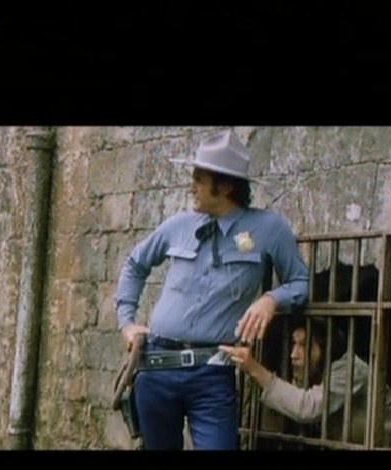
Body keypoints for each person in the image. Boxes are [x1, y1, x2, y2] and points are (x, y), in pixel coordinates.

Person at [115, 130, 309, 450]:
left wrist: (271, 299)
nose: (191, 187)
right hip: (156, 368)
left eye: (199, 179)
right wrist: (127, 322)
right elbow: (135, 265)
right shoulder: (177, 225)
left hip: (212, 375)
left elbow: (300, 283)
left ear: (227, 186)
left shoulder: (269, 229)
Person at [220, 317, 391, 449]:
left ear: (326, 346)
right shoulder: (312, 375)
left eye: (304, 345)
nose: (293, 354)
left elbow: (307, 407)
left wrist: (254, 368)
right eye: (294, 344)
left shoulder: (351, 370)